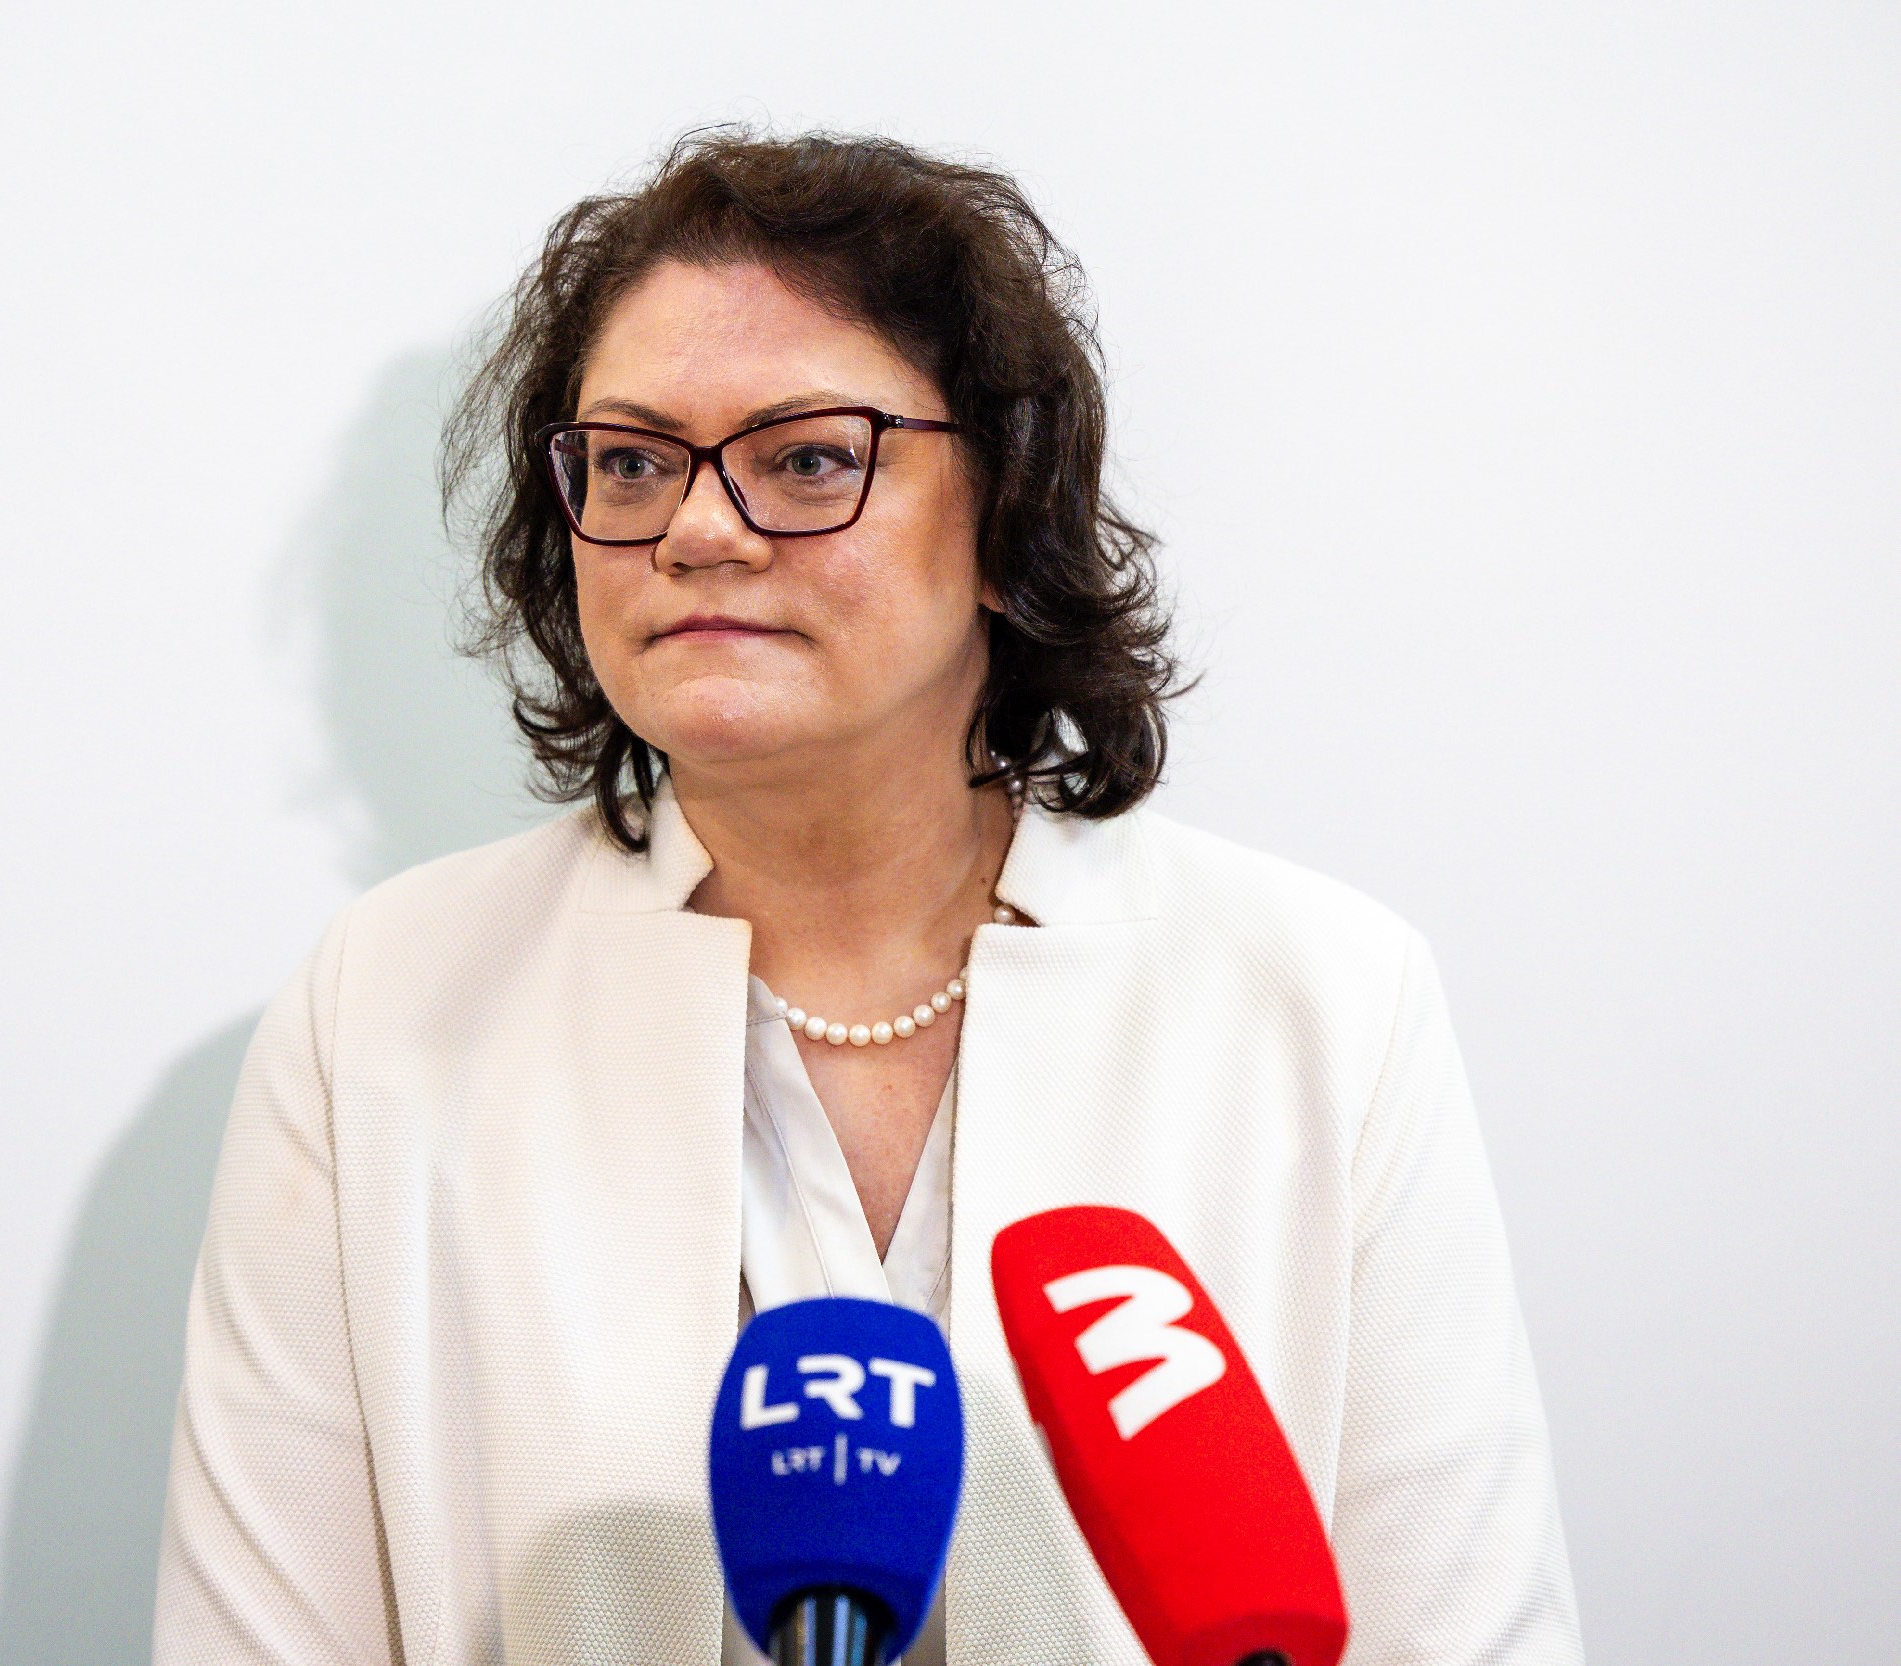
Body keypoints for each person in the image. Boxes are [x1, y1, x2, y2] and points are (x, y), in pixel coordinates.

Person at [154, 131, 1581, 1666]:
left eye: (807, 458)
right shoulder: (384, 1010)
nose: (697, 528)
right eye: (630, 461)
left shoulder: (1326, 1003)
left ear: (1007, 514)